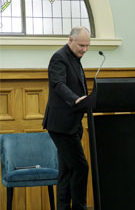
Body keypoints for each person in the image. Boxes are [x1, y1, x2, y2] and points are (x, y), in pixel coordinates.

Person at [42, 27, 90, 210]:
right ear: (71, 40)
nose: (84, 49)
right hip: (61, 124)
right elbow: (58, 84)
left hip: (73, 123)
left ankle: (63, 207)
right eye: (81, 45)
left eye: (88, 46)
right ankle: (79, 207)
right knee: (80, 167)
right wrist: (75, 99)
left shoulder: (75, 58)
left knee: (67, 170)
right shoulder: (59, 57)